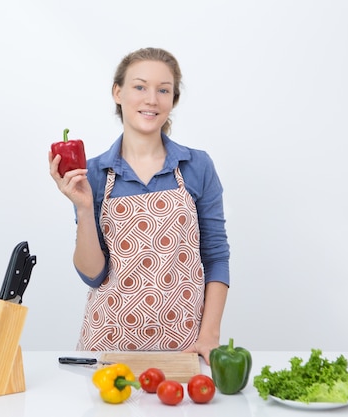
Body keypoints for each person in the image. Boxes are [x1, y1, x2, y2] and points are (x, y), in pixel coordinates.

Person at [49, 47, 230, 364]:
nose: (152, 99)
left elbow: (215, 256)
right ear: (117, 92)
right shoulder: (90, 173)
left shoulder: (197, 166)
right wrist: (82, 206)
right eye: (140, 86)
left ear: (172, 100)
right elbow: (93, 274)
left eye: (164, 90)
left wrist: (209, 337)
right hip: (107, 346)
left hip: (184, 346)